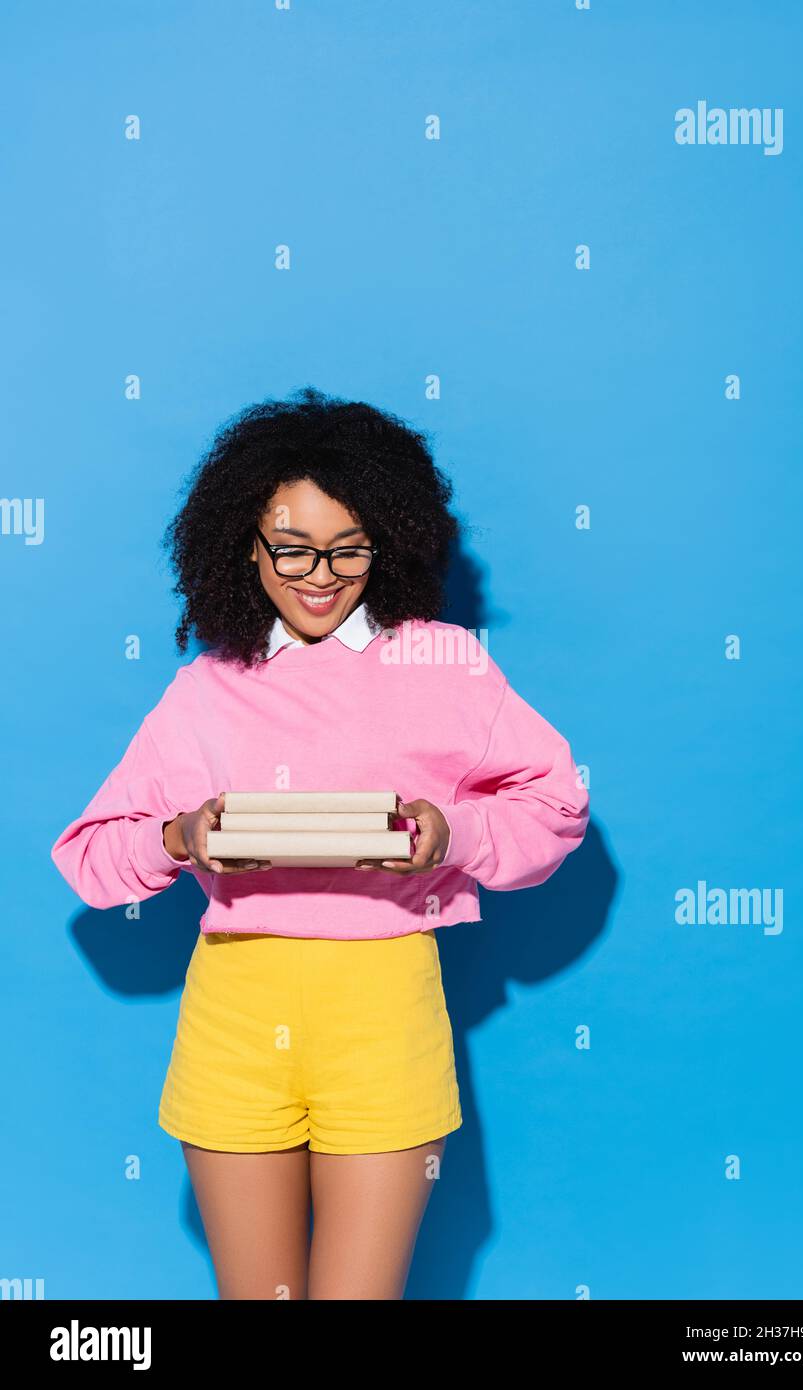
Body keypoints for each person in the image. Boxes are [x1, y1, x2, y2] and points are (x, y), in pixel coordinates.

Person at [50, 385, 590, 1299]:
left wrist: (451, 833)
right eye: (291, 548)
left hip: (385, 1012)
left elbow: (557, 807)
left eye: (347, 547)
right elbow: (90, 857)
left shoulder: (445, 663)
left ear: (388, 539)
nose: (320, 574)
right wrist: (182, 838)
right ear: (244, 546)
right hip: (235, 1010)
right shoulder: (208, 687)